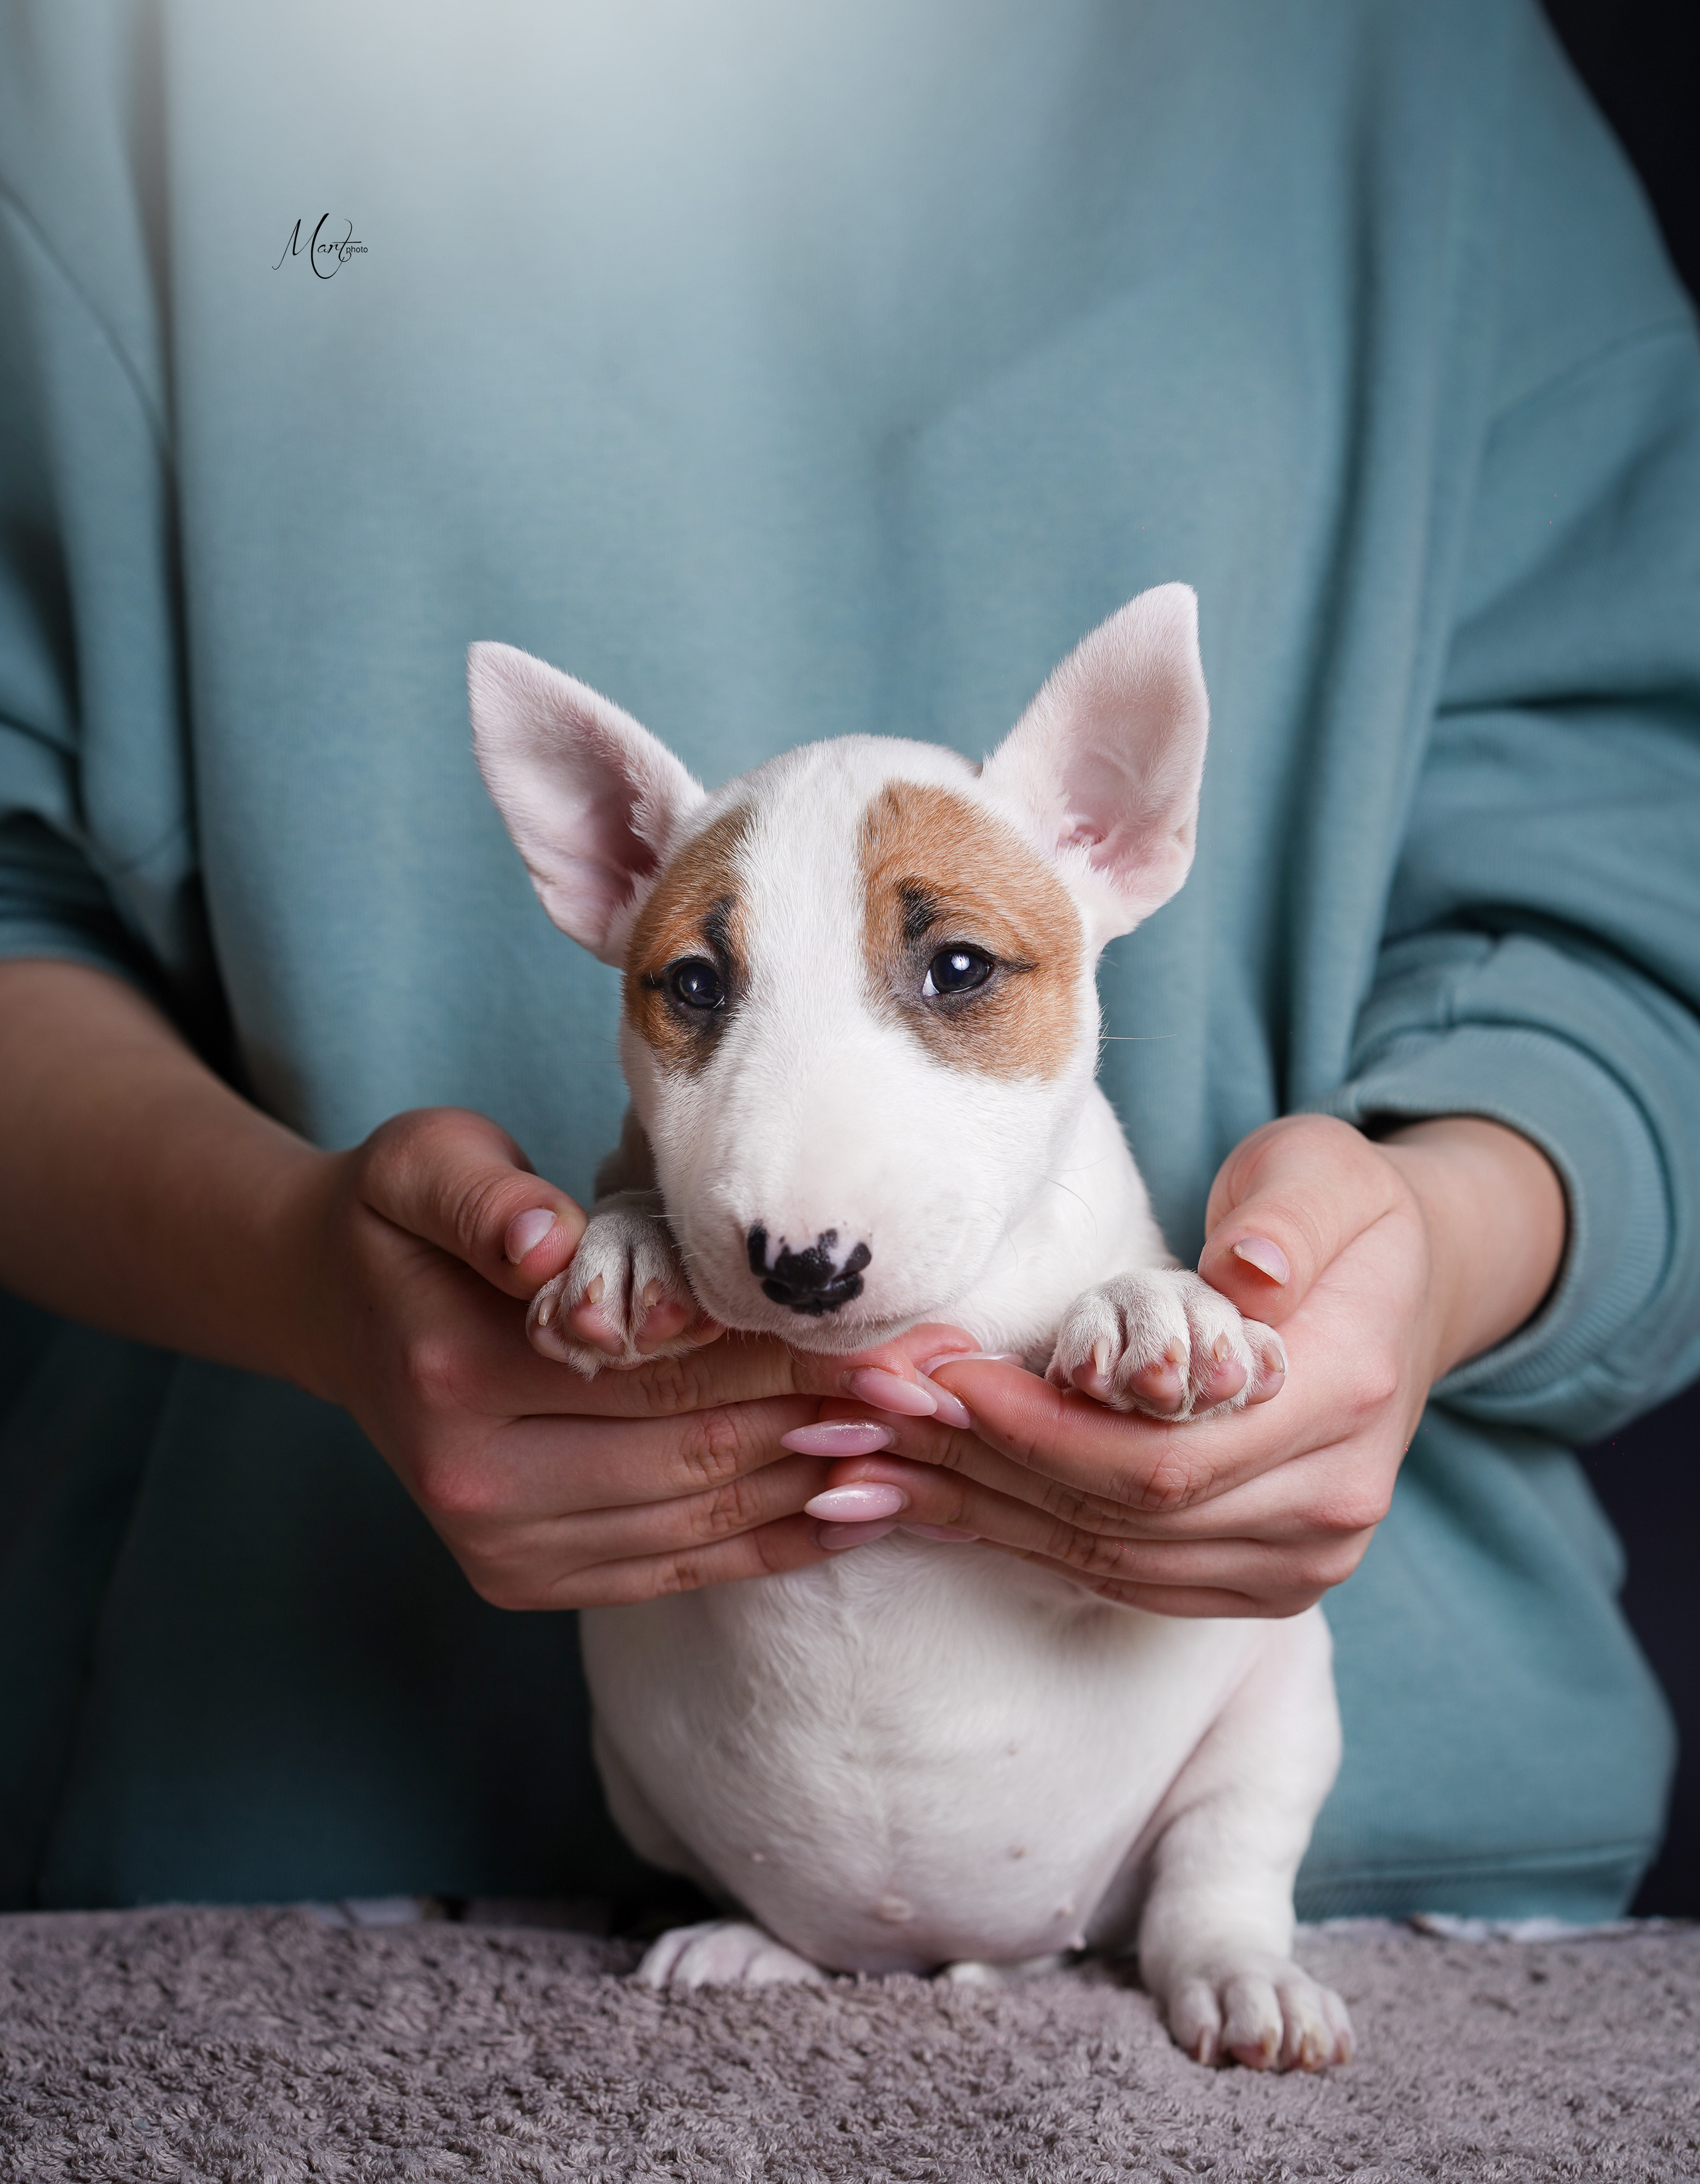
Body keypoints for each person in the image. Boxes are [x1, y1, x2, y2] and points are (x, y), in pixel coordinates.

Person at [1, 0, 1696, 1917]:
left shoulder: (1412, 69)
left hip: (1367, 1880)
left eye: (959, 974)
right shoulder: (142, 69)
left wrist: (1431, 1246)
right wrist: (302, 1276)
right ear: (600, 871)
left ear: (1122, 832)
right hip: (320, 1867)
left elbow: (1647, 913)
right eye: (698, 987)